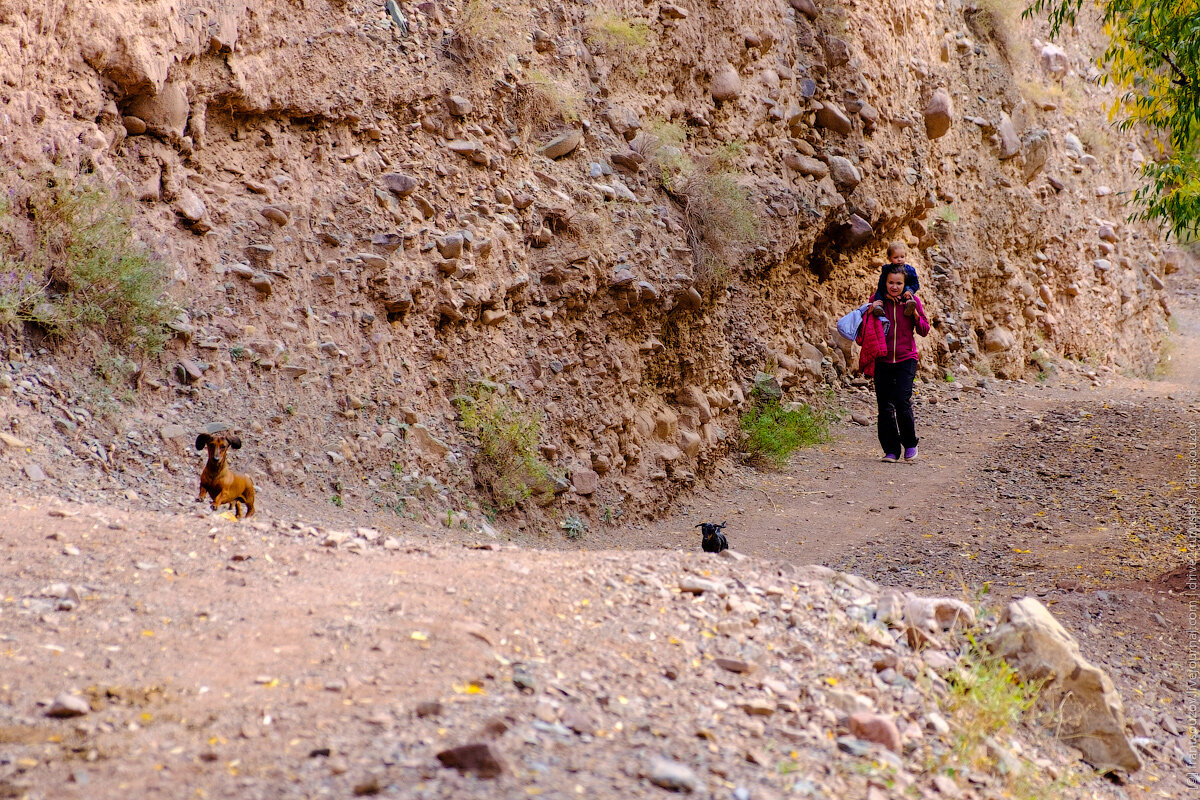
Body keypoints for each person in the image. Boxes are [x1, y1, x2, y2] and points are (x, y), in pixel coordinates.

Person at [863, 263, 930, 463]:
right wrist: (870, 310)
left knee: (901, 401)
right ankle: (891, 450)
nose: (894, 286)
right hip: (882, 359)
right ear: (885, 282)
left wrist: (915, 314)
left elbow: (925, 330)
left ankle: (910, 444)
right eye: (891, 282)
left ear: (905, 284)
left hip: (906, 358)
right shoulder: (877, 301)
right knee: (884, 406)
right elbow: (866, 325)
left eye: (899, 283)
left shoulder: (912, 301)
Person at [870, 241, 920, 318]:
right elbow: (882, 285)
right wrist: (886, 294)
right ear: (889, 258)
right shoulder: (886, 269)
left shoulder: (910, 270)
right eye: (895, 257)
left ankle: (909, 305)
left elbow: (916, 284)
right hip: (888, 291)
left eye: (902, 257)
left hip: (904, 291)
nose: (899, 259)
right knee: (879, 293)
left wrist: (910, 291)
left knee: (907, 287)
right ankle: (879, 307)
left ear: (906, 257)